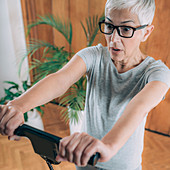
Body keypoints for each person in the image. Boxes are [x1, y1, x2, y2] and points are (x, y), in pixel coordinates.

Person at [0, 0, 170, 169]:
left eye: (126, 29)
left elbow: (139, 106)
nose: (114, 38)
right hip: (84, 160)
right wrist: (17, 106)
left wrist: (108, 146)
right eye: (109, 26)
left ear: (146, 32)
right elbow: (60, 79)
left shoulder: (157, 72)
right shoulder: (94, 56)